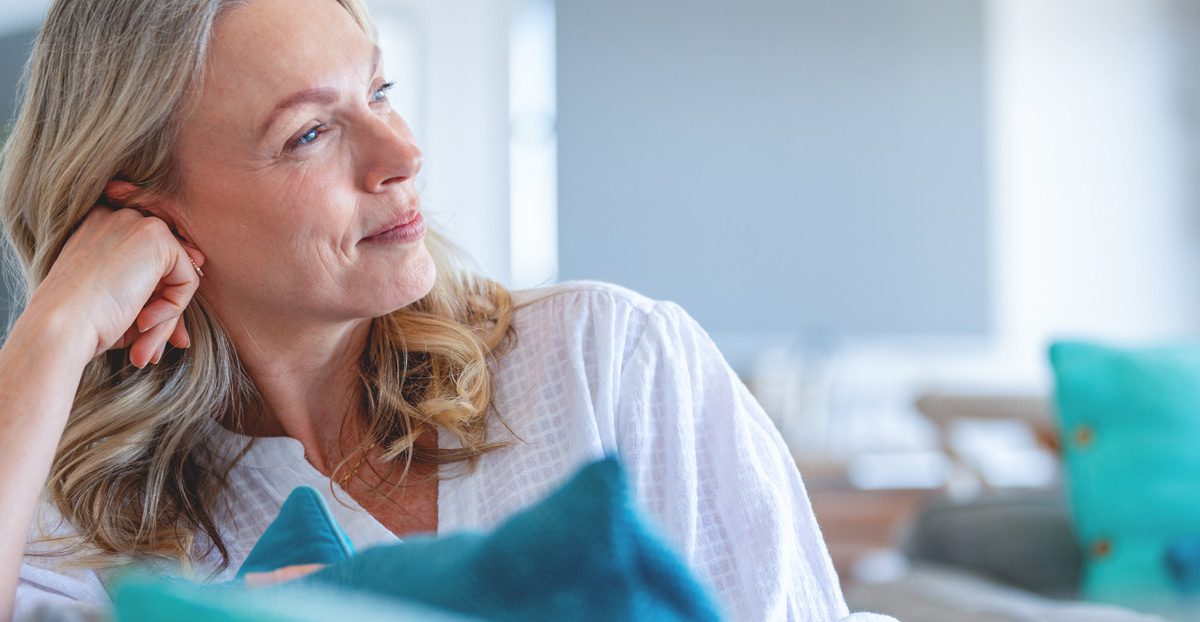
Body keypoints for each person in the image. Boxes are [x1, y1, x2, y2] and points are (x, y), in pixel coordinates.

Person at [0, 0, 892, 620]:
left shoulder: (611, 364)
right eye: (309, 133)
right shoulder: (80, 518)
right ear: (146, 209)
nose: (402, 152)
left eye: (379, 92)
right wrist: (51, 336)